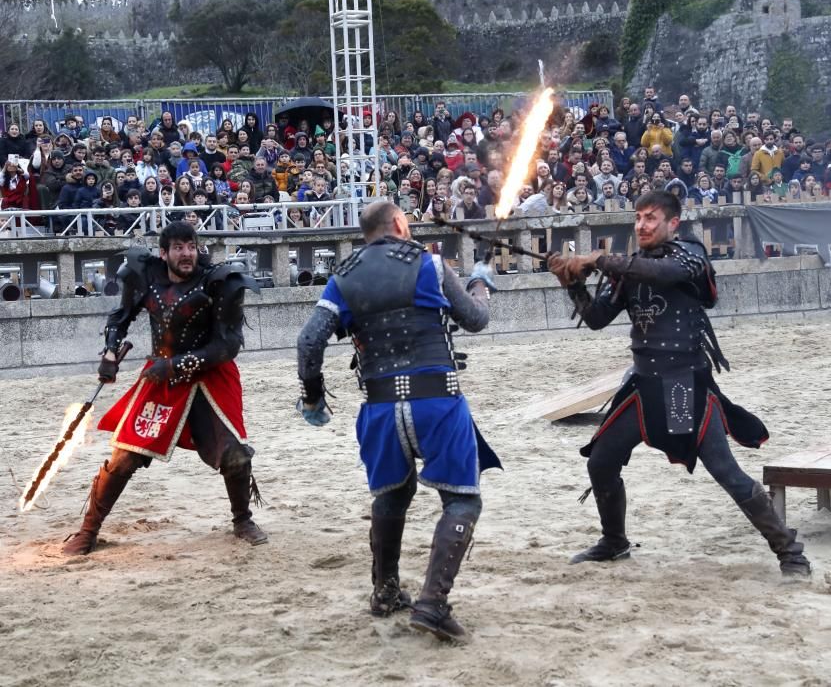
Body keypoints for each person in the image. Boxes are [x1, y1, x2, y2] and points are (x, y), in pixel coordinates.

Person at [547, 190, 810, 577]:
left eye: (651, 218)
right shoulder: (629, 266)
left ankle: (790, 553)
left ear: (673, 223)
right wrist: (571, 282)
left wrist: (597, 259)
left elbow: (665, 273)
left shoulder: (690, 255)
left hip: (684, 384)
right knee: (601, 461)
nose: (642, 225)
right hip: (641, 387)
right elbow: (598, 318)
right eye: (638, 218)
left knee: (725, 471)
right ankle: (614, 542)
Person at [295, 200, 500, 641]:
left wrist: (313, 398)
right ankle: (432, 604)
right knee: (462, 501)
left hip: (381, 408)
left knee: (391, 495)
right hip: (436, 402)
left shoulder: (342, 278)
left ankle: (385, 591)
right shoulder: (430, 265)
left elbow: (308, 342)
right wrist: (481, 282)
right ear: (401, 224)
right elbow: (476, 320)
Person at [62, 222, 267, 556]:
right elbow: (120, 318)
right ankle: (88, 530)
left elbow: (227, 346)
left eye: (191, 246)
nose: (187, 254)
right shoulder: (145, 276)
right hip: (160, 375)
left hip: (208, 376)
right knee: (125, 456)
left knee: (234, 454)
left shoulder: (219, 283)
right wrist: (111, 353)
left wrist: (174, 366)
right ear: (164, 252)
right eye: (178, 248)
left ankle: (242, 520)